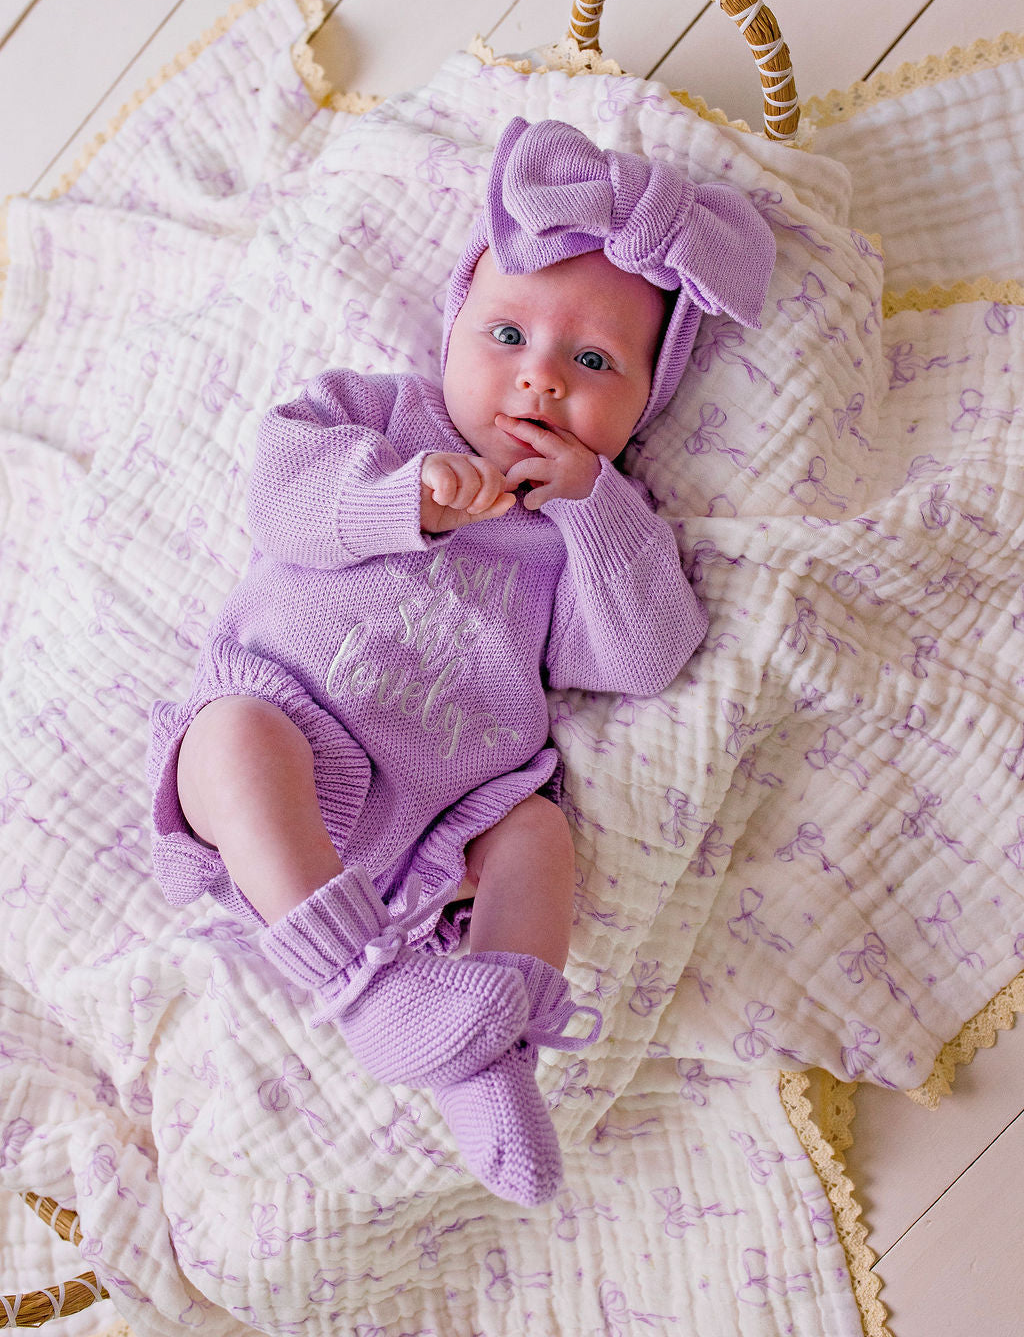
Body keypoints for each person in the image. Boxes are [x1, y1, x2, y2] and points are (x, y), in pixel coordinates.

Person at [146, 116, 776, 1204]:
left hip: (440, 819)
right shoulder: (375, 420)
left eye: (590, 364)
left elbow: (643, 658)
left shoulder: (585, 526)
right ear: (453, 322)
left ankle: (486, 1061)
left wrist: (599, 511)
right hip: (277, 738)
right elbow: (283, 502)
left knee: (536, 831)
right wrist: (404, 501)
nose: (536, 383)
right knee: (232, 739)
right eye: (505, 337)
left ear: (642, 407)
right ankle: (366, 986)